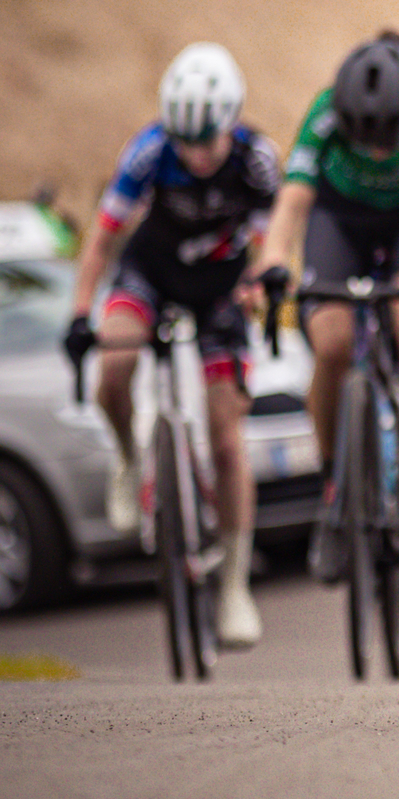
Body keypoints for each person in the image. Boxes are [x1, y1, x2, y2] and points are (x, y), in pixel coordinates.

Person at [258, 31, 399, 632]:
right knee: (330, 340)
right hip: (344, 219)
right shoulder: (324, 115)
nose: (380, 154)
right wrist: (273, 263)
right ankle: (335, 493)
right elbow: (290, 207)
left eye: (389, 139)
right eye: (368, 141)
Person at [65, 43, 280, 652]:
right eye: (184, 140)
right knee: (115, 365)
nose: (194, 153)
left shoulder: (258, 161)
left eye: (206, 141)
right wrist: (82, 313)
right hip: (151, 274)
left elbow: (272, 245)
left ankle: (235, 584)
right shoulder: (148, 152)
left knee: (228, 439)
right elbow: (103, 240)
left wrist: (259, 289)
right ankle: (130, 457)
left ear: (232, 122)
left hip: (222, 288)